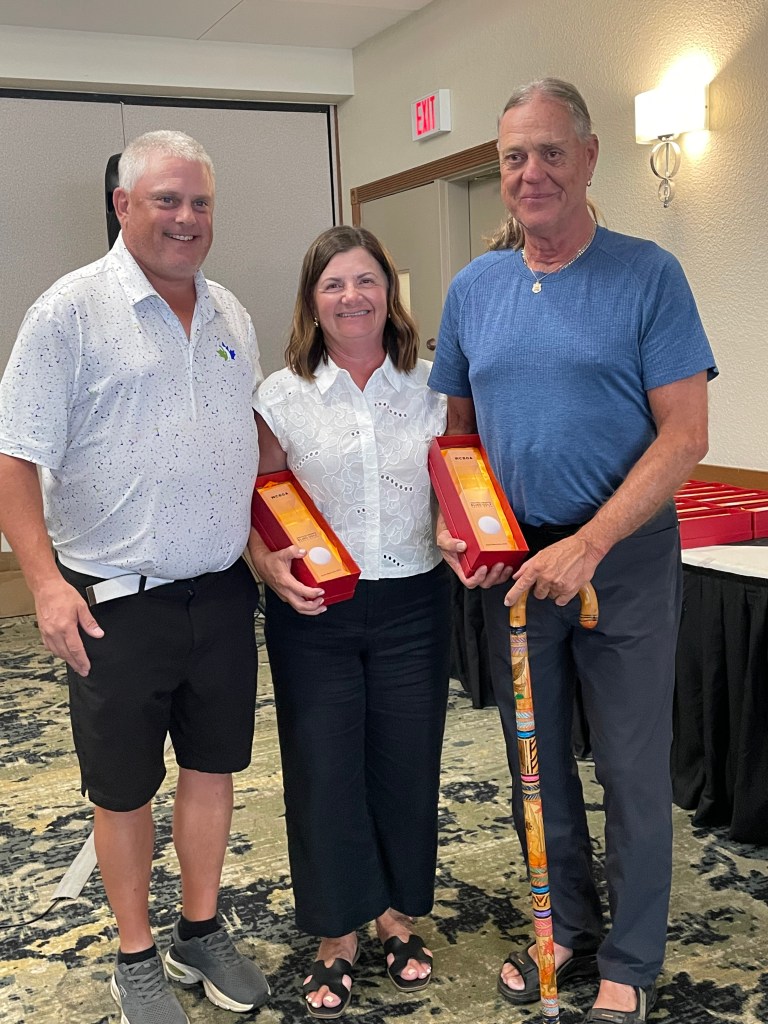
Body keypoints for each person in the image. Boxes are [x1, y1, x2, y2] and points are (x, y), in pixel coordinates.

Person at [428, 79, 717, 1023]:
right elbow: (458, 435)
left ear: (590, 158)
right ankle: (566, 927)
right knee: (535, 761)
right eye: (515, 157)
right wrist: (455, 524)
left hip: (621, 558)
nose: (532, 173)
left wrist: (590, 544)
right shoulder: (474, 290)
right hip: (518, 566)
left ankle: (630, 958)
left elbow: (685, 436)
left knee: (630, 766)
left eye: (552, 152)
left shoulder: (648, 274)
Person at [0, 130, 269, 1024]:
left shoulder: (231, 315)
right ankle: (135, 954)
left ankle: (200, 930)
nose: (186, 218)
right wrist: (45, 583)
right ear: (123, 205)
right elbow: (14, 459)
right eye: (167, 200)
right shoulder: (69, 313)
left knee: (213, 768)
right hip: (114, 601)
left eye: (200, 202)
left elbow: (240, 450)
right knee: (123, 790)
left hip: (221, 592)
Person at [248, 226, 450, 1018]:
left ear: (388, 293)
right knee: (324, 769)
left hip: (413, 604)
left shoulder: (432, 387)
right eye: (333, 284)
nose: (352, 296)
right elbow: (258, 501)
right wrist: (265, 565)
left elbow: (458, 483)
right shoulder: (280, 396)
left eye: (365, 280)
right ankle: (337, 933)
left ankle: (395, 915)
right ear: (312, 301)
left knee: (405, 765)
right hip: (315, 611)